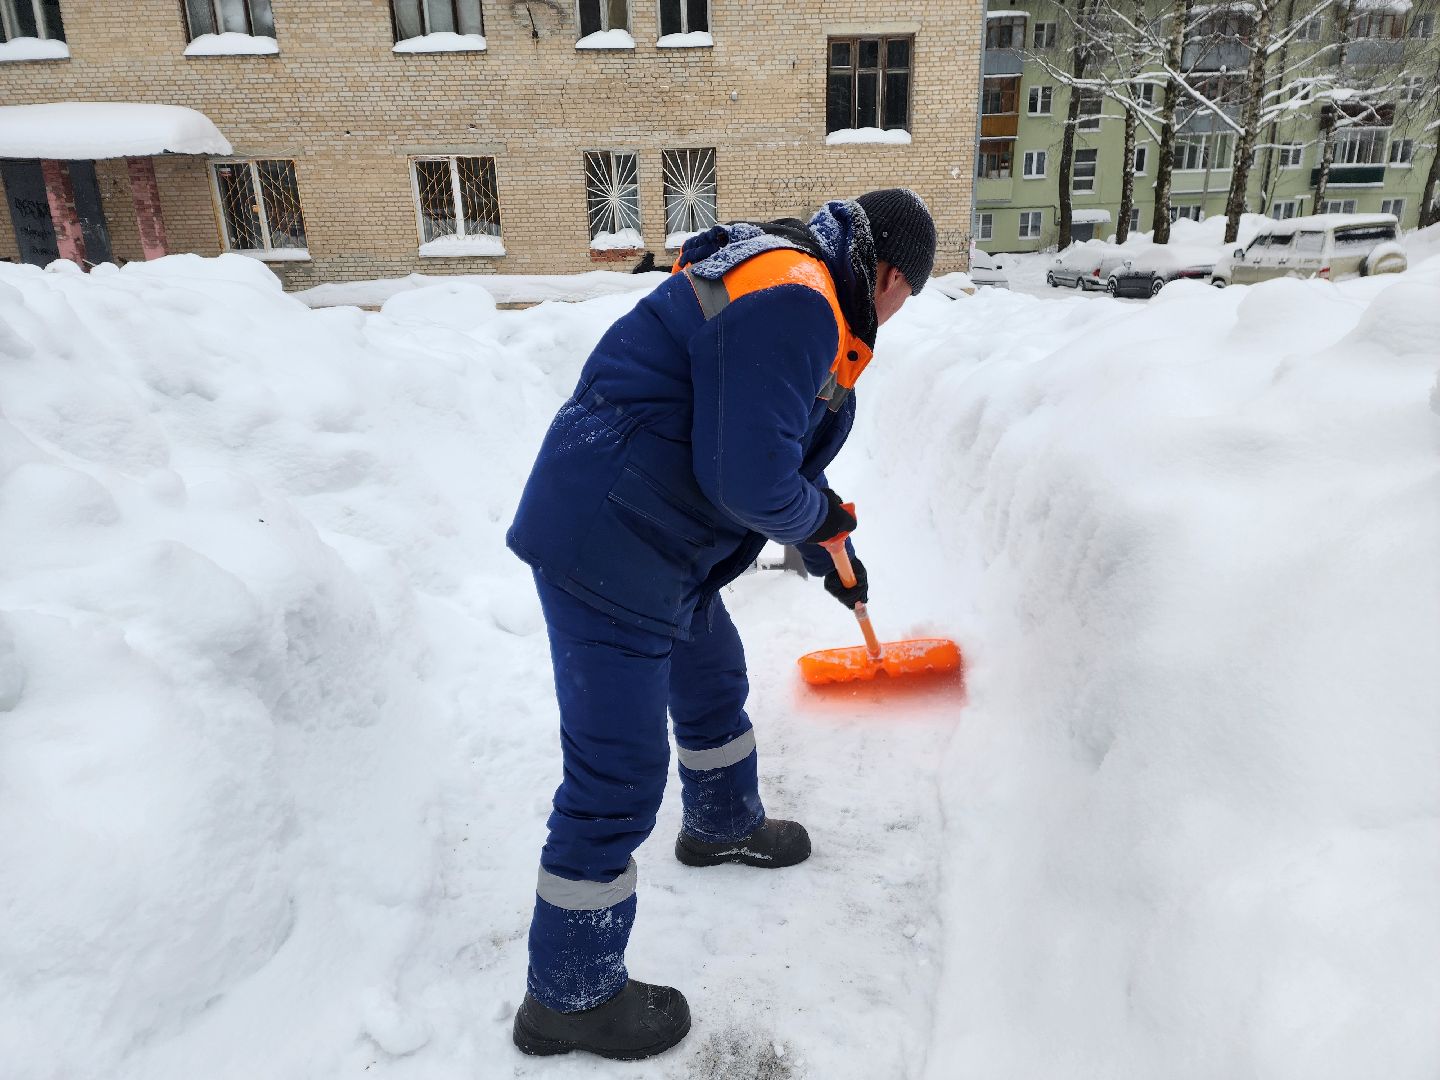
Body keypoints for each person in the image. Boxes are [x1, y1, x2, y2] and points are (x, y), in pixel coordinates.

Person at [506, 189, 938, 1061]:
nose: (899, 312)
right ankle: (569, 995)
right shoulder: (797, 299)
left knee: (711, 680)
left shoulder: (804, 289)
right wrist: (815, 518)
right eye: (908, 295)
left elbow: (769, 454)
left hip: (663, 538)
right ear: (891, 274)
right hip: (609, 540)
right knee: (617, 775)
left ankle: (721, 824)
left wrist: (827, 546)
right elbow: (750, 480)